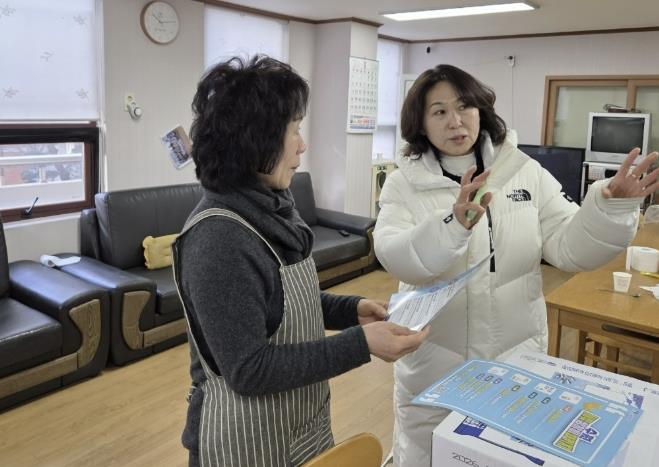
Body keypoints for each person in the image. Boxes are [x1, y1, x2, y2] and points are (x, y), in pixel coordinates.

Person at [373, 64, 659, 466]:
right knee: (429, 452)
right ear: (420, 123)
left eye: (464, 106)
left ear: (480, 110)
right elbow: (396, 256)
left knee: (504, 453)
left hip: (514, 359)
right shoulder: (404, 183)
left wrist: (610, 209)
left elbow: (568, 247)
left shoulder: (522, 171)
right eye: (439, 112)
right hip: (434, 366)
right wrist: (453, 225)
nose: (455, 121)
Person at [172, 56, 430, 467]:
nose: (302, 144)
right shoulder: (219, 238)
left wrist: (351, 311)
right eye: (293, 129)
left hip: (298, 428)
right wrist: (362, 344)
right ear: (255, 140)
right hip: (244, 443)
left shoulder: (271, 207)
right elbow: (249, 369)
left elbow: (280, 305)